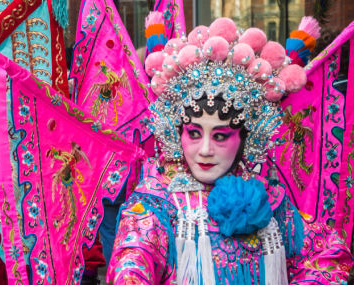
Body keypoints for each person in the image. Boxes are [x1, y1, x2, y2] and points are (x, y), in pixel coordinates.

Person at [107, 15, 353, 284]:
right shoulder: (158, 203)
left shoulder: (270, 198)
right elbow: (131, 262)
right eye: (193, 133)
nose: (205, 150)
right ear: (178, 133)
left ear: (247, 138)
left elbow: (327, 256)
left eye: (221, 136)